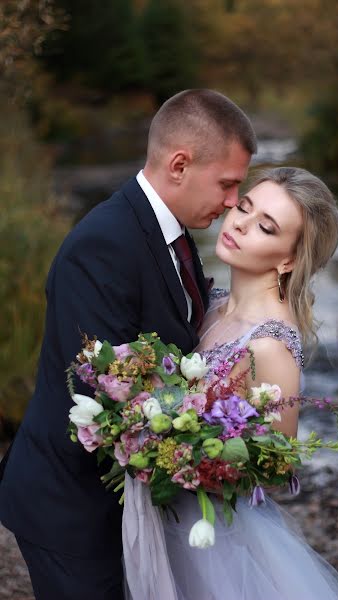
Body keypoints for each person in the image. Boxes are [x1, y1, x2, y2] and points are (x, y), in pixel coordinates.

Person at [0, 89, 256, 600]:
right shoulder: (104, 244)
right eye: (227, 185)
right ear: (179, 164)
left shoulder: (171, 232)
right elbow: (103, 390)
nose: (232, 202)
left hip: (122, 501)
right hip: (70, 509)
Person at [126, 166, 338, 599]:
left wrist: (188, 458)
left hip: (213, 540)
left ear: (288, 259)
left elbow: (277, 467)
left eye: (265, 227)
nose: (239, 223)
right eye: (246, 207)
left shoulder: (268, 345)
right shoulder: (212, 302)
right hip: (165, 514)